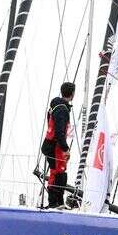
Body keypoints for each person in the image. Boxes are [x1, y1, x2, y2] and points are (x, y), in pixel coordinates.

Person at [40, 81, 75, 209]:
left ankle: (57, 202)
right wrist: (66, 149)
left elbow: (50, 123)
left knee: (58, 171)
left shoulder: (55, 106)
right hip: (55, 145)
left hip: (50, 143)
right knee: (59, 172)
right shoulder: (62, 109)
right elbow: (60, 131)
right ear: (72, 94)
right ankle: (55, 203)